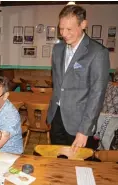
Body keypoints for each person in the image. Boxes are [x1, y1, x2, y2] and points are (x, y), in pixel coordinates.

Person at [47, 4, 110, 152]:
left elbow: (97, 94)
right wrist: (51, 116)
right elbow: (58, 84)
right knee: (56, 161)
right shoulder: (57, 49)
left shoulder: (97, 53)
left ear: (83, 24)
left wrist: (85, 130)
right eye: (61, 28)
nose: (64, 33)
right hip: (56, 117)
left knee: (77, 166)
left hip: (79, 123)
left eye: (69, 29)